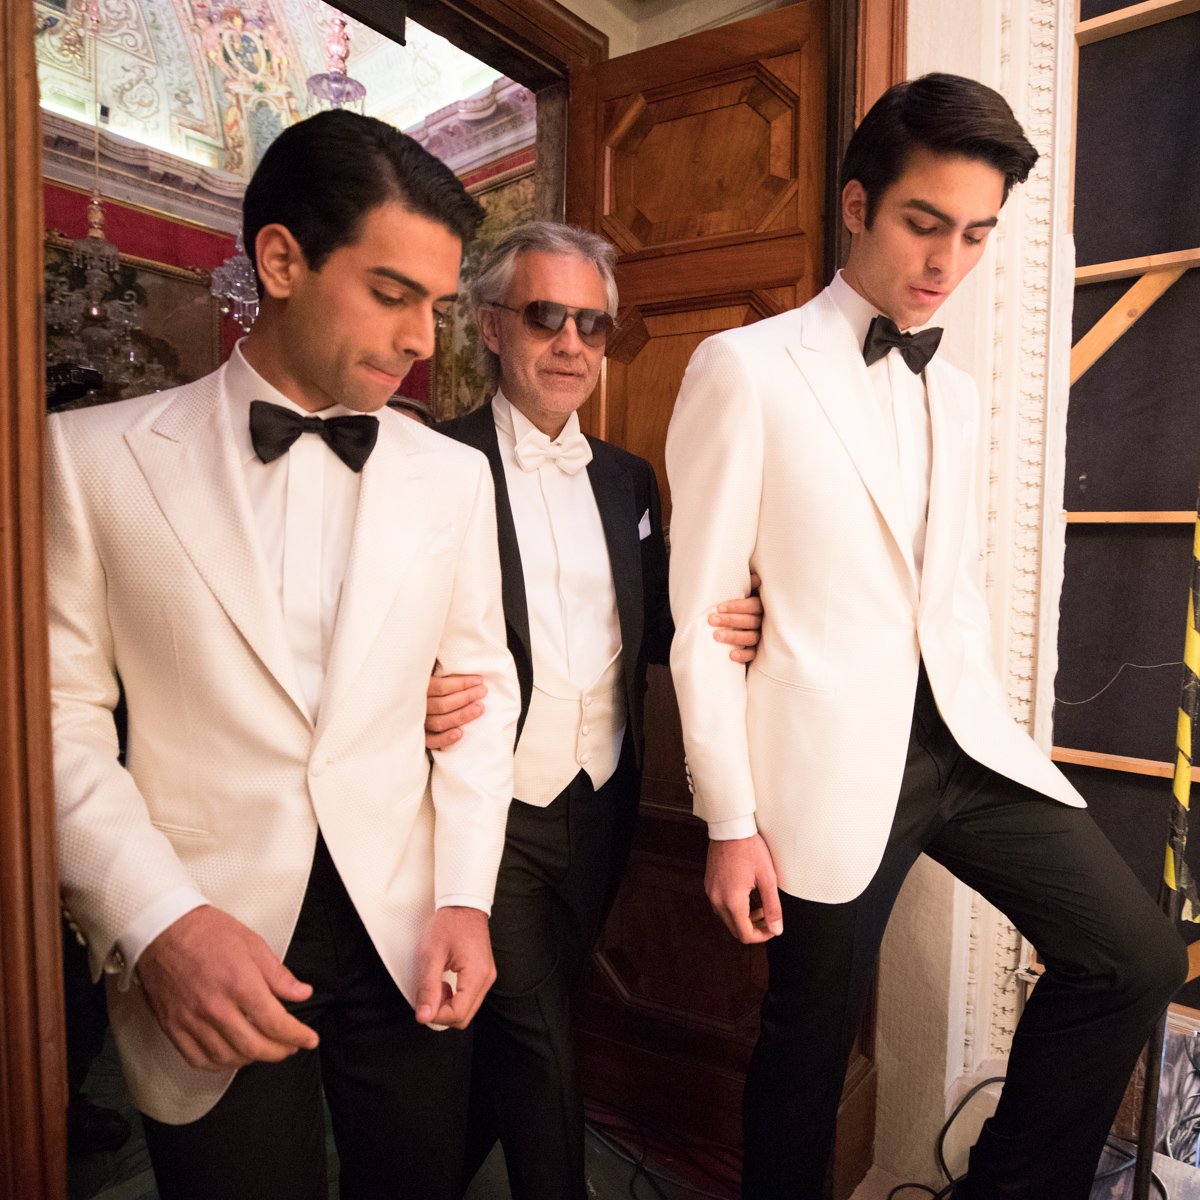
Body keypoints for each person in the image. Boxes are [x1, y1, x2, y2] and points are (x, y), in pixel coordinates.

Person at [664, 73, 1187, 1200]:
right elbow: (700, 619)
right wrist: (730, 818)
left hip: (962, 746)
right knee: (803, 1052)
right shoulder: (744, 370)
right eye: (924, 223)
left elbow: (937, 591)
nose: (947, 261)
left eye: (977, 236)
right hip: (818, 768)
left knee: (1131, 953)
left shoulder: (958, 391)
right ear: (857, 206)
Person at [46, 108, 520, 1200]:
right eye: (393, 294)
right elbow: (53, 720)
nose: (420, 340)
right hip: (206, 937)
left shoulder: (454, 479)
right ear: (281, 261)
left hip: (406, 931)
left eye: (437, 307)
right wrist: (153, 918)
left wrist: (467, 893)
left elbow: (482, 689)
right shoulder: (89, 462)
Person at [431, 221, 763, 1200]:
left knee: (533, 1016)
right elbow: (367, 628)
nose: (572, 343)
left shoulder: (627, 478)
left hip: (601, 800)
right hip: (488, 811)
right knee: (541, 1043)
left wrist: (736, 619)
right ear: (493, 327)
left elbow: (653, 626)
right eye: (547, 317)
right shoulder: (429, 465)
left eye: (594, 324)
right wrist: (402, 691)